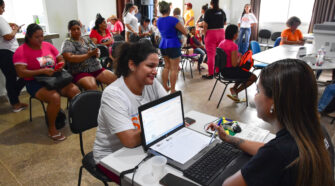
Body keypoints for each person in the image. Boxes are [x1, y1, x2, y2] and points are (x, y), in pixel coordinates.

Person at [207, 59, 334, 186]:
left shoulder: (278, 152)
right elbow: (266, 150)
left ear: (274, 102)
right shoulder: (316, 129)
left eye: (258, 91)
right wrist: (229, 138)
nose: (255, 97)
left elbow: (228, 185)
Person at [93, 42, 167, 182]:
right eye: (150, 66)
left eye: (156, 66)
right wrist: (163, 122)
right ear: (132, 65)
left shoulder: (151, 83)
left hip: (144, 148)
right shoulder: (113, 94)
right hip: (111, 157)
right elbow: (130, 140)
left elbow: (169, 107)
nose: (155, 71)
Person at [13, 24, 80, 141]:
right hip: (35, 82)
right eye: (36, 37)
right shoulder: (21, 51)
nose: (40, 39)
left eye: (41, 36)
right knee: (54, 97)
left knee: (75, 90)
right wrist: (42, 71)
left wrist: (60, 65)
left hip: (54, 78)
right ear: (28, 37)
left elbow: (61, 59)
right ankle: (52, 128)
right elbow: (21, 73)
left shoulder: (48, 45)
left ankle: (76, 119)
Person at [61, 20, 117, 90]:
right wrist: (88, 55)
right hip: (80, 71)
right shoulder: (67, 42)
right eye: (73, 29)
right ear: (69, 31)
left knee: (115, 79)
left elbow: (96, 50)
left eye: (78, 29)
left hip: (96, 68)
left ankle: (111, 99)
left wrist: (97, 53)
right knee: (92, 86)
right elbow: (69, 58)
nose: (76, 31)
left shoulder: (86, 38)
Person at [0, 0, 27, 113]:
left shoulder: (2, 20)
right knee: (22, 74)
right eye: (2, 7)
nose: (4, 10)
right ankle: (15, 103)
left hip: (4, 52)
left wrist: (8, 24)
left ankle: (14, 100)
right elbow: (8, 36)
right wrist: (15, 30)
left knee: (12, 77)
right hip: (6, 52)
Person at [218, 24, 257, 102]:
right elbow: (234, 64)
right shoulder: (233, 46)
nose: (238, 34)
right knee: (253, 77)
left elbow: (227, 56)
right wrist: (239, 58)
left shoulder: (222, 43)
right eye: (238, 32)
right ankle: (236, 90)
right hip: (229, 72)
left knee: (242, 71)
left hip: (222, 71)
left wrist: (237, 55)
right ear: (235, 35)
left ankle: (234, 89)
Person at [157, 1, 188, 93]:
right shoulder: (173, 20)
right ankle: (173, 89)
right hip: (173, 44)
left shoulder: (158, 20)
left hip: (163, 44)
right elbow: (184, 32)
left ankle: (165, 86)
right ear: (169, 9)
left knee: (166, 66)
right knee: (174, 69)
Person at [203, 0, 226, 79]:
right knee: (220, 53)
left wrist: (205, 35)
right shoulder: (222, 11)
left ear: (211, 3)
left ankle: (210, 74)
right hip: (222, 33)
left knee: (211, 55)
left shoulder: (208, 12)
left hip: (211, 33)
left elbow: (205, 25)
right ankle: (218, 71)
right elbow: (225, 23)